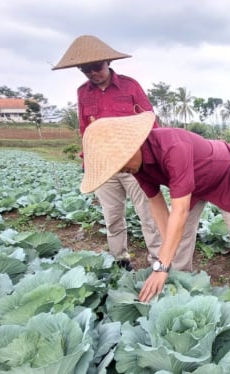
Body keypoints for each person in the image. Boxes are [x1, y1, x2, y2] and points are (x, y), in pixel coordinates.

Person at [79, 112, 230, 312]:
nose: (121, 170)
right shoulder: (137, 168)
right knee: (179, 237)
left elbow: (180, 210)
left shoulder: (173, 147)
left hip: (222, 174)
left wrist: (162, 266)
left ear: (132, 147)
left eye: (120, 164)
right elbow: (156, 205)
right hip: (192, 186)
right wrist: (169, 252)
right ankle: (182, 282)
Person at [52, 35, 161, 270]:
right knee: (112, 218)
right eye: (86, 69)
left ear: (108, 62)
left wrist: (153, 161)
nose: (93, 73)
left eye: (97, 67)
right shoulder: (83, 93)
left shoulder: (130, 86)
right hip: (104, 166)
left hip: (134, 164)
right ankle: (120, 261)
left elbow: (150, 122)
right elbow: (85, 131)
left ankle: (158, 262)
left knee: (149, 216)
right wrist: (89, 166)